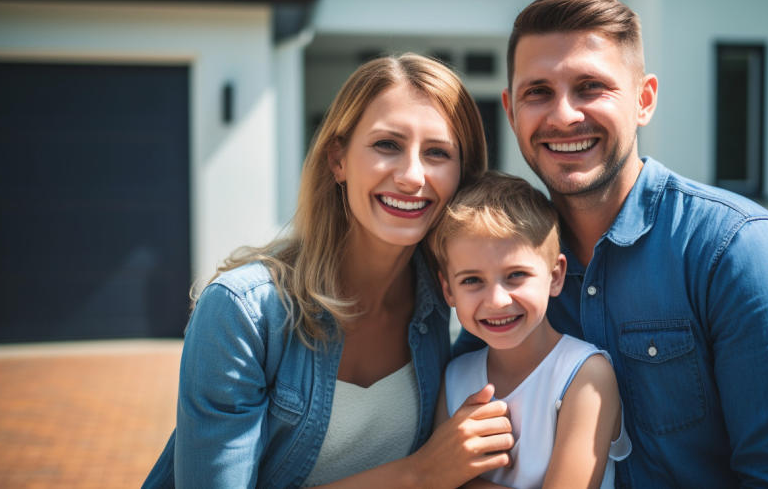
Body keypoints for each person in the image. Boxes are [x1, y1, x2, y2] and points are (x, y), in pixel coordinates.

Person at [455, 0, 768, 487]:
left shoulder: (741, 252)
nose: (563, 115)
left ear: (644, 100)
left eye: (590, 87)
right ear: (512, 111)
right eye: (538, 92)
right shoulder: (500, 274)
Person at [144, 53, 516, 488]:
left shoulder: (451, 301)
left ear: (461, 177)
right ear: (338, 159)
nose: (413, 176)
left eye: (437, 153)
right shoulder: (242, 311)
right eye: (387, 145)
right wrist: (419, 474)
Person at [430, 172, 631, 489]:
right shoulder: (455, 376)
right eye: (472, 280)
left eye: (515, 275)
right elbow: (435, 477)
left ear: (555, 276)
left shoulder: (586, 375)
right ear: (448, 290)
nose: (497, 300)